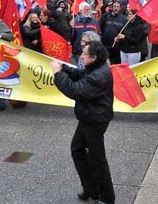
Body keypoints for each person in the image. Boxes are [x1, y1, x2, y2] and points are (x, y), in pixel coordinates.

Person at [50, 41, 115, 204]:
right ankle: (91, 189)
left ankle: (107, 197)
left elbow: (75, 90)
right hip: (88, 116)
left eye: (85, 53)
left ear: (94, 58)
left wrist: (58, 74)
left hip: (95, 120)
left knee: (97, 158)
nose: (81, 55)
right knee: (77, 149)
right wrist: (64, 67)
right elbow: (80, 74)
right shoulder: (95, 68)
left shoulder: (99, 75)